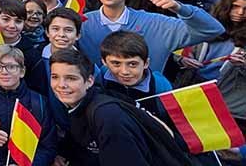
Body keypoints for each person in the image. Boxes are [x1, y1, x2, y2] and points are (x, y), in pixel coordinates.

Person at [49, 49, 193, 166]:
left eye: (71, 78)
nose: (61, 85)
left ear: (89, 81)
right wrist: (63, 154)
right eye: (55, 77)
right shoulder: (81, 106)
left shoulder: (107, 116)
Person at [79, 0, 224, 71]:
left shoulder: (156, 23)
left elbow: (213, 29)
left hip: (147, 100)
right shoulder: (83, 23)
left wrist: (179, 8)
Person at [0, 45, 57, 166]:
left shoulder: (39, 102)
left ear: (22, 72)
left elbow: (48, 147)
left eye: (11, 67)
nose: (4, 72)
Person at [98, 31, 172, 117]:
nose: (124, 71)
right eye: (116, 63)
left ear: (146, 63)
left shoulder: (160, 85)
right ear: (104, 62)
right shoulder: (101, 76)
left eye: (132, 64)